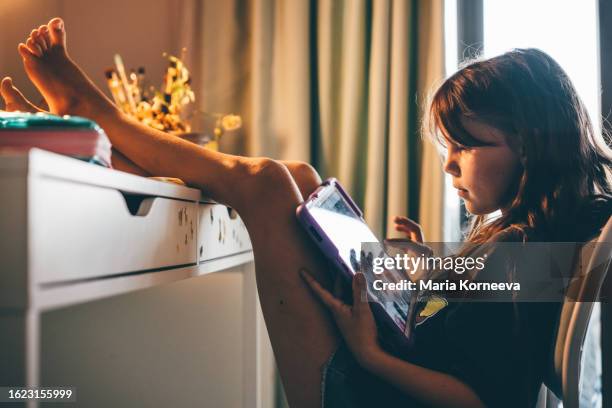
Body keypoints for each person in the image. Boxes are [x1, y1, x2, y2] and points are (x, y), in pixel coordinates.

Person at [1, 18, 611, 408]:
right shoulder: (549, 238)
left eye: (465, 145)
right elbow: (490, 317)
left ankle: (104, 126)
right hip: (391, 365)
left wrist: (371, 352)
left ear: (530, 142)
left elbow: (485, 398)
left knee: (270, 183)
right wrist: (433, 279)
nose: (449, 165)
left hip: (367, 389)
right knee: (300, 183)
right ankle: (120, 157)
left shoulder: (527, 247)